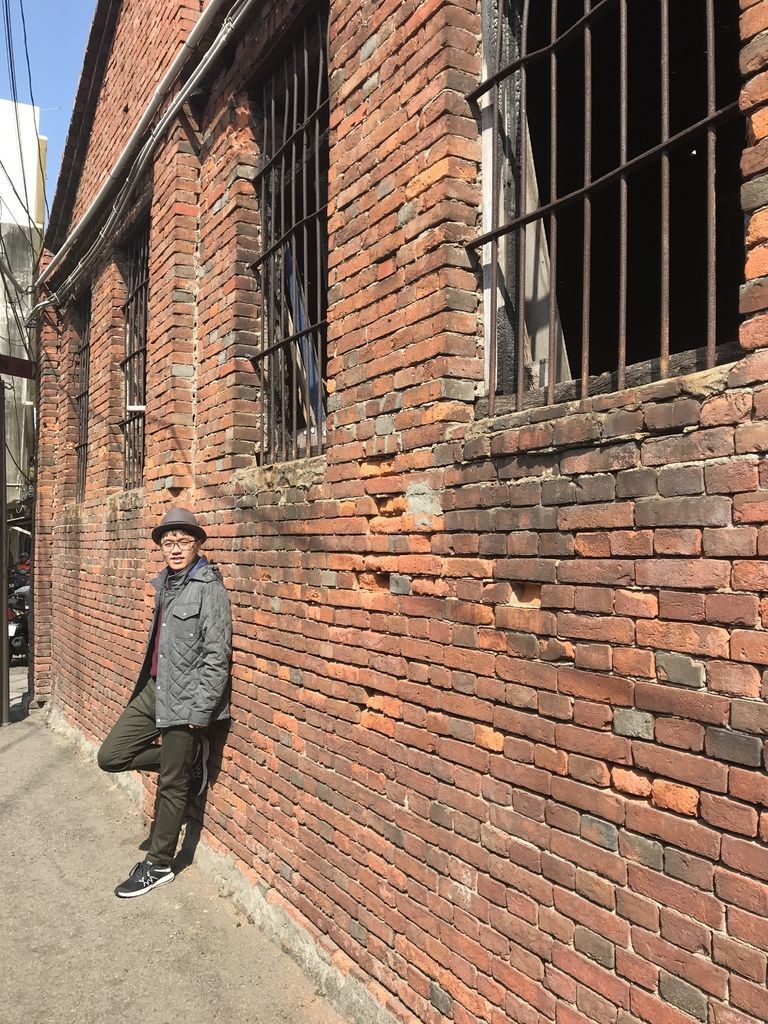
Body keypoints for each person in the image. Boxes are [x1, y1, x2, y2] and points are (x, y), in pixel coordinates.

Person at [97, 507, 232, 898]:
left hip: (187, 698)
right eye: (168, 542)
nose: (175, 549)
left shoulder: (208, 588)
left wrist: (201, 710)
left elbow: (217, 655)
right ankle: (187, 762)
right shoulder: (167, 584)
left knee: (172, 785)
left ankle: (158, 865)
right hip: (155, 689)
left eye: (183, 542)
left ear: (197, 544)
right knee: (111, 756)